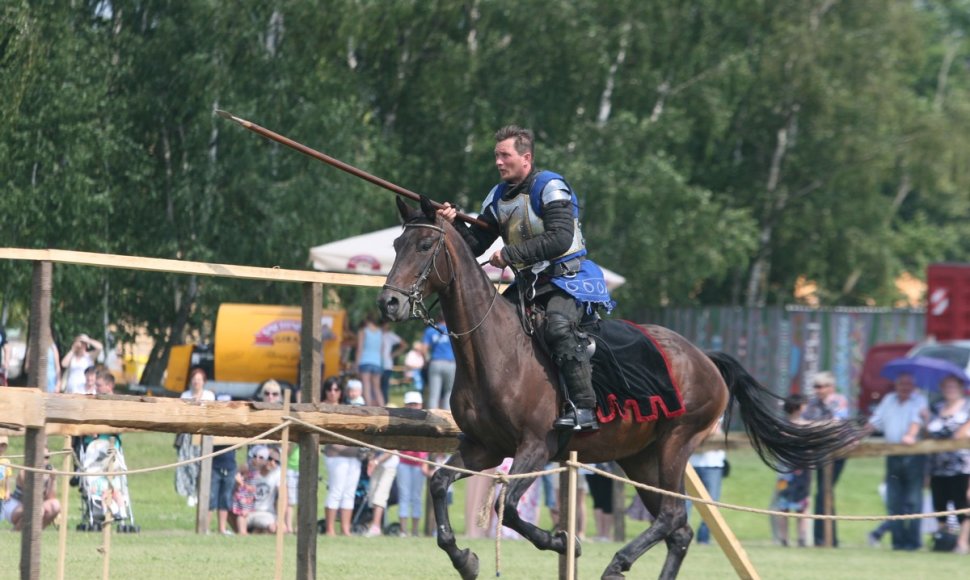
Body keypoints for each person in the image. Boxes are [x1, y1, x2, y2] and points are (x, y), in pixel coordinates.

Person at [437, 125, 614, 430]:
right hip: (528, 285)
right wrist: (452, 224)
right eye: (496, 156)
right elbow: (475, 245)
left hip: (567, 280)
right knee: (492, 328)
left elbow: (560, 238)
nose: (498, 162)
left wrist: (509, 255)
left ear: (526, 158)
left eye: (504, 155)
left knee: (558, 328)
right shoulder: (497, 196)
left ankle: (584, 408)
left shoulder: (550, 186)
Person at [866, 372, 928, 551]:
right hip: (893, 454)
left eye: (909, 385)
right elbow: (875, 421)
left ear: (914, 387)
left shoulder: (919, 400)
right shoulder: (889, 399)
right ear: (896, 385)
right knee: (894, 501)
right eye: (902, 384)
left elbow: (917, 422)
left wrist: (910, 435)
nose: (905, 388)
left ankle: (913, 543)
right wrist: (858, 435)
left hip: (913, 455)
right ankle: (898, 542)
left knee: (914, 501)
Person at [802, 370, 850, 547]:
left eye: (821, 386)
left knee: (825, 492)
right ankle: (822, 539)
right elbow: (802, 422)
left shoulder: (839, 401)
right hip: (820, 451)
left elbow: (837, 424)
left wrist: (814, 426)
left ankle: (827, 539)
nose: (818, 390)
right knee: (822, 492)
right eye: (816, 386)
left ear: (831, 387)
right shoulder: (812, 403)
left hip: (837, 452)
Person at [925, 373, 970, 554]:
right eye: (946, 386)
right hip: (938, 466)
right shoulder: (936, 408)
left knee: (963, 505)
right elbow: (928, 434)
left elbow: (962, 434)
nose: (949, 390)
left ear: (960, 387)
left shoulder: (968, 407)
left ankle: (962, 543)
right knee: (940, 505)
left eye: (953, 386)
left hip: (962, 465)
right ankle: (943, 541)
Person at [322, 376, 362, 536]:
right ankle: (330, 529)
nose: (333, 393)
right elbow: (329, 442)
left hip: (351, 456)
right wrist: (352, 450)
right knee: (336, 491)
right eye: (330, 389)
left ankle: (346, 529)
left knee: (349, 493)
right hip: (335, 456)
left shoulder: (346, 408)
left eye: (336, 389)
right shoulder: (322, 408)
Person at [770, 394, 812, 547]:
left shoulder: (784, 426)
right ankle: (788, 538)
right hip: (788, 472)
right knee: (787, 506)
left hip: (797, 471)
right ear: (798, 407)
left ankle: (796, 538)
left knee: (799, 505)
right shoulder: (800, 427)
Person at [175, 367, 216, 507]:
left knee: (201, 465)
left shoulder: (209, 395)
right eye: (194, 379)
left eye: (199, 379)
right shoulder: (185, 394)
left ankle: (200, 493)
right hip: (187, 435)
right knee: (188, 465)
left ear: (203, 381)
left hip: (203, 435)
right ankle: (190, 493)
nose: (196, 382)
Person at [398, 391, 433, 536]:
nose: (413, 407)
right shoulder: (400, 420)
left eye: (415, 404)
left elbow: (427, 443)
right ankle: (403, 530)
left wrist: (424, 462)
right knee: (404, 496)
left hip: (418, 464)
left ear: (420, 405)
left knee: (416, 497)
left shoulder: (425, 421)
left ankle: (414, 531)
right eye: (410, 404)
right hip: (404, 463)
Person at [687, 417, 726, 545]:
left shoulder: (719, 409)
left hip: (713, 464)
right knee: (684, 504)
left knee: (711, 504)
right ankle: (679, 535)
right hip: (691, 464)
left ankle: (703, 538)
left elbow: (713, 430)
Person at [2, 448, 60, 530]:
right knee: (37, 510)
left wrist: (53, 479)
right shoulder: (25, 471)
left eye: (46, 457)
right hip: (14, 504)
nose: (44, 460)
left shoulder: (48, 474)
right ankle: (15, 533)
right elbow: (32, 496)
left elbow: (51, 498)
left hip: (34, 506)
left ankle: (36, 535)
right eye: (41, 457)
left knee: (55, 505)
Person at [363, 446, 401, 537]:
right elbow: (372, 448)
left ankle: (376, 527)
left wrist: (376, 461)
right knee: (372, 495)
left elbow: (391, 450)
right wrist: (371, 460)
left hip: (388, 466)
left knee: (380, 496)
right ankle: (374, 524)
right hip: (376, 466)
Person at [422, 315, 456, 411]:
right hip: (450, 363)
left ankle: (432, 417)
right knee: (449, 392)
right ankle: (447, 415)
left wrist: (426, 361)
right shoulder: (452, 330)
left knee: (433, 394)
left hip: (435, 362)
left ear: (437, 319)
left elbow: (424, 349)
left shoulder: (430, 330)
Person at [246, 446, 282, 534]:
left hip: (266, 513)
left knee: (277, 528)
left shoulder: (277, 473)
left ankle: (255, 531)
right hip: (246, 512)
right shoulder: (250, 470)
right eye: (270, 459)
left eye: (276, 461)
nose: (272, 462)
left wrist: (280, 520)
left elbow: (283, 497)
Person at [355, 316, 385, 406]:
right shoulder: (380, 332)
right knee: (377, 388)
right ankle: (383, 408)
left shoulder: (363, 331)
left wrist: (356, 364)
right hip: (377, 362)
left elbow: (360, 348)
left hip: (365, 361)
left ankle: (369, 408)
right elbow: (381, 350)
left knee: (366, 386)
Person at [586, 463, 615, 542]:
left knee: (607, 503)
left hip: (608, 470)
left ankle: (606, 534)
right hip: (590, 469)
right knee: (597, 502)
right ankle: (600, 534)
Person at [380, 322, 406, 404]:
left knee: (384, 387)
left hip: (386, 365)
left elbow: (404, 345)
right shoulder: (377, 334)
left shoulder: (390, 335)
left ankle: (384, 404)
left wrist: (393, 354)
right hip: (378, 364)